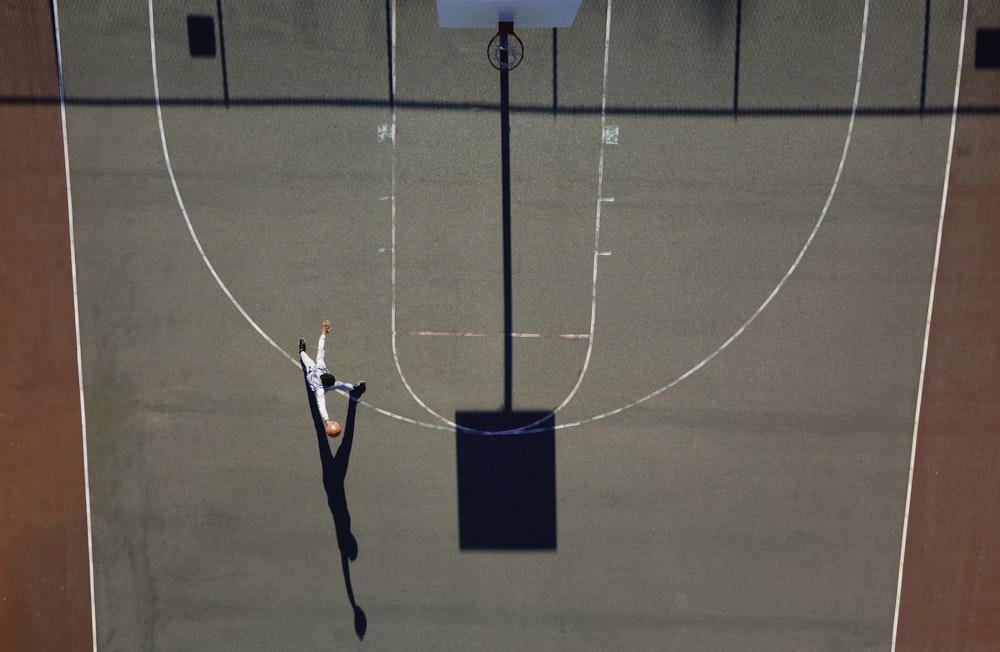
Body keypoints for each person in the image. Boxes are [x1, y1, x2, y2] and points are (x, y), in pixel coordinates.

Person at [299, 320, 365, 437]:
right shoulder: (320, 390)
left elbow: (321, 349)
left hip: (315, 370)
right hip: (311, 374)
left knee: (340, 384)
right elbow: (321, 404)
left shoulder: (321, 366)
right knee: (304, 357)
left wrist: (323, 333)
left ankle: (353, 387)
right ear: (326, 386)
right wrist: (327, 420)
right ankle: (301, 349)